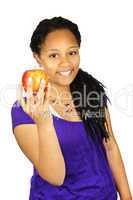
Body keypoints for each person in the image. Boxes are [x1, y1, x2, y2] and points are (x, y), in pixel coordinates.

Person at [11, 16, 132, 200]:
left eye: (72, 52)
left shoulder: (91, 93)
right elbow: (55, 177)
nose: (66, 63)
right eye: (54, 55)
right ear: (38, 57)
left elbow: (110, 147)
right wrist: (44, 122)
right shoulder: (25, 110)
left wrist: (126, 196)